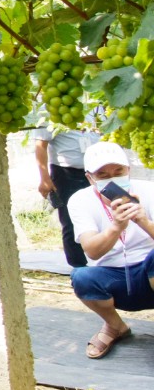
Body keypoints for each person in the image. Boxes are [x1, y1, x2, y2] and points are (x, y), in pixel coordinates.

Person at [66, 141, 154, 358]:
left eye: (118, 171)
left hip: (149, 270)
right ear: (90, 178)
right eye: (103, 174)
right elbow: (92, 251)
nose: (112, 178)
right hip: (113, 276)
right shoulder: (80, 200)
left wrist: (143, 220)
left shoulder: (149, 190)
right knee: (82, 276)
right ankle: (115, 326)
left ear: (128, 170)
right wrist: (116, 227)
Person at [34, 122, 101, 268]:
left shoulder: (95, 107)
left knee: (105, 215)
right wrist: (44, 178)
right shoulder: (50, 110)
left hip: (98, 172)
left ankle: (107, 264)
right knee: (70, 221)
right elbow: (41, 145)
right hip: (66, 173)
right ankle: (78, 267)